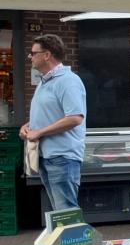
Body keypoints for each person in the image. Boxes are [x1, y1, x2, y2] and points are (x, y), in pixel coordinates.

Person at [20, 34, 86, 210]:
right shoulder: (45, 82)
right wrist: (28, 127)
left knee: (66, 211)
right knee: (60, 212)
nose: (30, 56)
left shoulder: (68, 81)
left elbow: (75, 117)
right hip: (47, 155)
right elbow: (51, 113)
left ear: (47, 55)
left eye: (33, 53)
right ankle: (68, 238)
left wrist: (39, 132)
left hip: (62, 156)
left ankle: (76, 239)